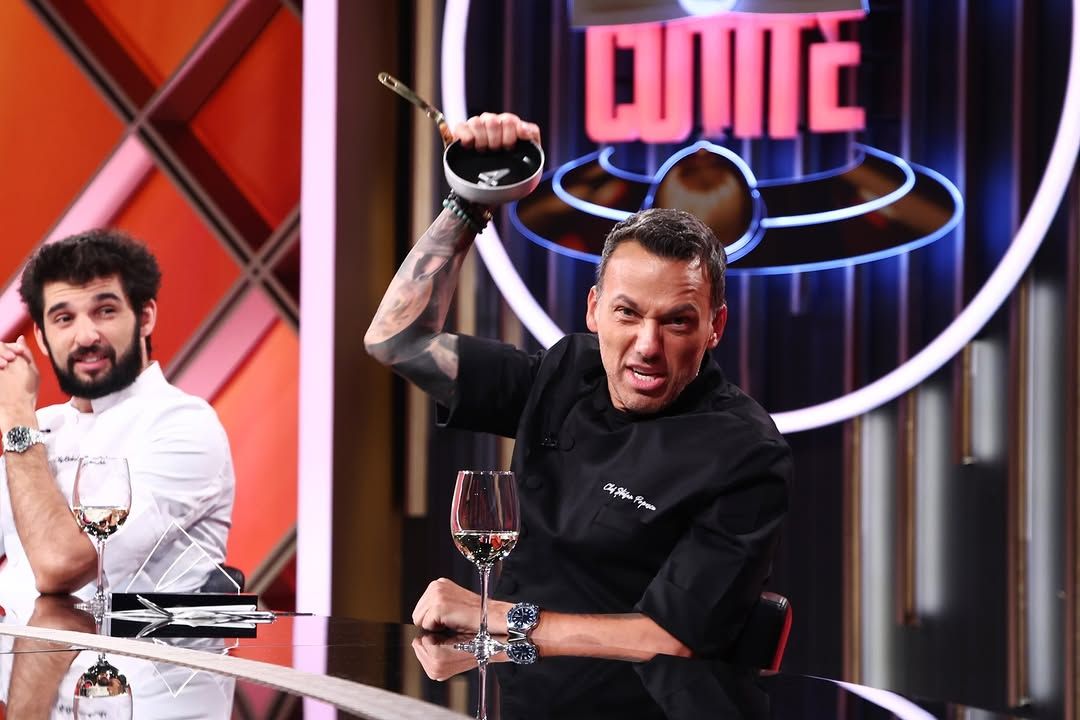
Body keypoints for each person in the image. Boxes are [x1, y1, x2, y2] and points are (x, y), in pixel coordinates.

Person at [365, 113, 791, 657]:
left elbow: (669, 641)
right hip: (513, 685)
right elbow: (396, 341)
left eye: (677, 321)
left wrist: (495, 617)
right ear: (594, 310)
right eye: (627, 313)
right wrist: (470, 202)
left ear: (715, 327)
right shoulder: (567, 371)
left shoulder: (746, 452)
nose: (647, 345)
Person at [0, 229, 236, 604]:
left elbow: (60, 565)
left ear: (145, 317)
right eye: (64, 318)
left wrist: (15, 418)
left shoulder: (185, 424)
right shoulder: (41, 426)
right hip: (18, 640)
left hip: (132, 644)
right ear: (42, 338)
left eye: (105, 311)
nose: (86, 336)